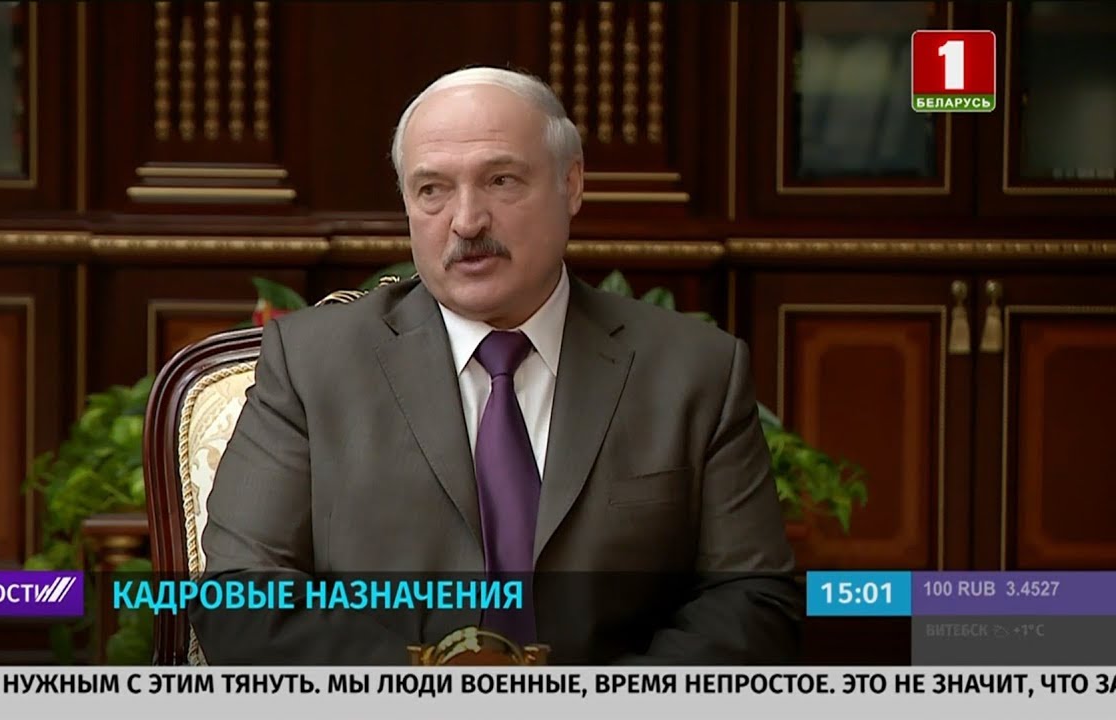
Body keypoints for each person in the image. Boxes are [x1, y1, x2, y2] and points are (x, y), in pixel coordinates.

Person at [190, 66, 802, 664]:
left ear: (571, 184)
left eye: (501, 180)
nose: (466, 221)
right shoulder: (312, 364)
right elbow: (240, 596)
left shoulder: (695, 371)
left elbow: (752, 599)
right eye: (432, 190)